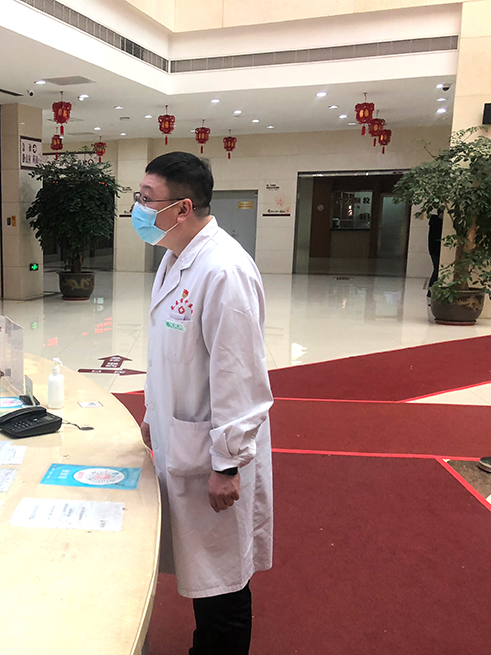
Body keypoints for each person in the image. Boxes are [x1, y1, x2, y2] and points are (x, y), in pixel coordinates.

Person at [134, 153, 273, 655]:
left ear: (182, 208)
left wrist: (227, 464)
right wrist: (152, 414)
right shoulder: (175, 257)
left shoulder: (224, 270)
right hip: (183, 436)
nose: (139, 209)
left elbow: (239, 376)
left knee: (223, 576)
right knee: (203, 566)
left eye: (147, 199)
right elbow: (170, 356)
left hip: (215, 453)